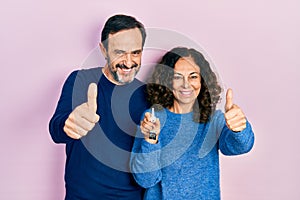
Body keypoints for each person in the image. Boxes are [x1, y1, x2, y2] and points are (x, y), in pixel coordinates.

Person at [130, 47, 255, 199]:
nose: (186, 84)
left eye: (193, 76)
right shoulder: (152, 118)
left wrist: (239, 129)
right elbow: (145, 180)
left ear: (203, 81)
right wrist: (151, 140)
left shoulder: (213, 119)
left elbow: (241, 146)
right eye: (177, 77)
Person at [49, 14, 149, 199]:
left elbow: (151, 153)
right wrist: (69, 125)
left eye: (135, 52)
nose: (128, 62)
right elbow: (56, 130)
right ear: (104, 50)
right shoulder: (80, 80)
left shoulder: (148, 94)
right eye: (120, 52)